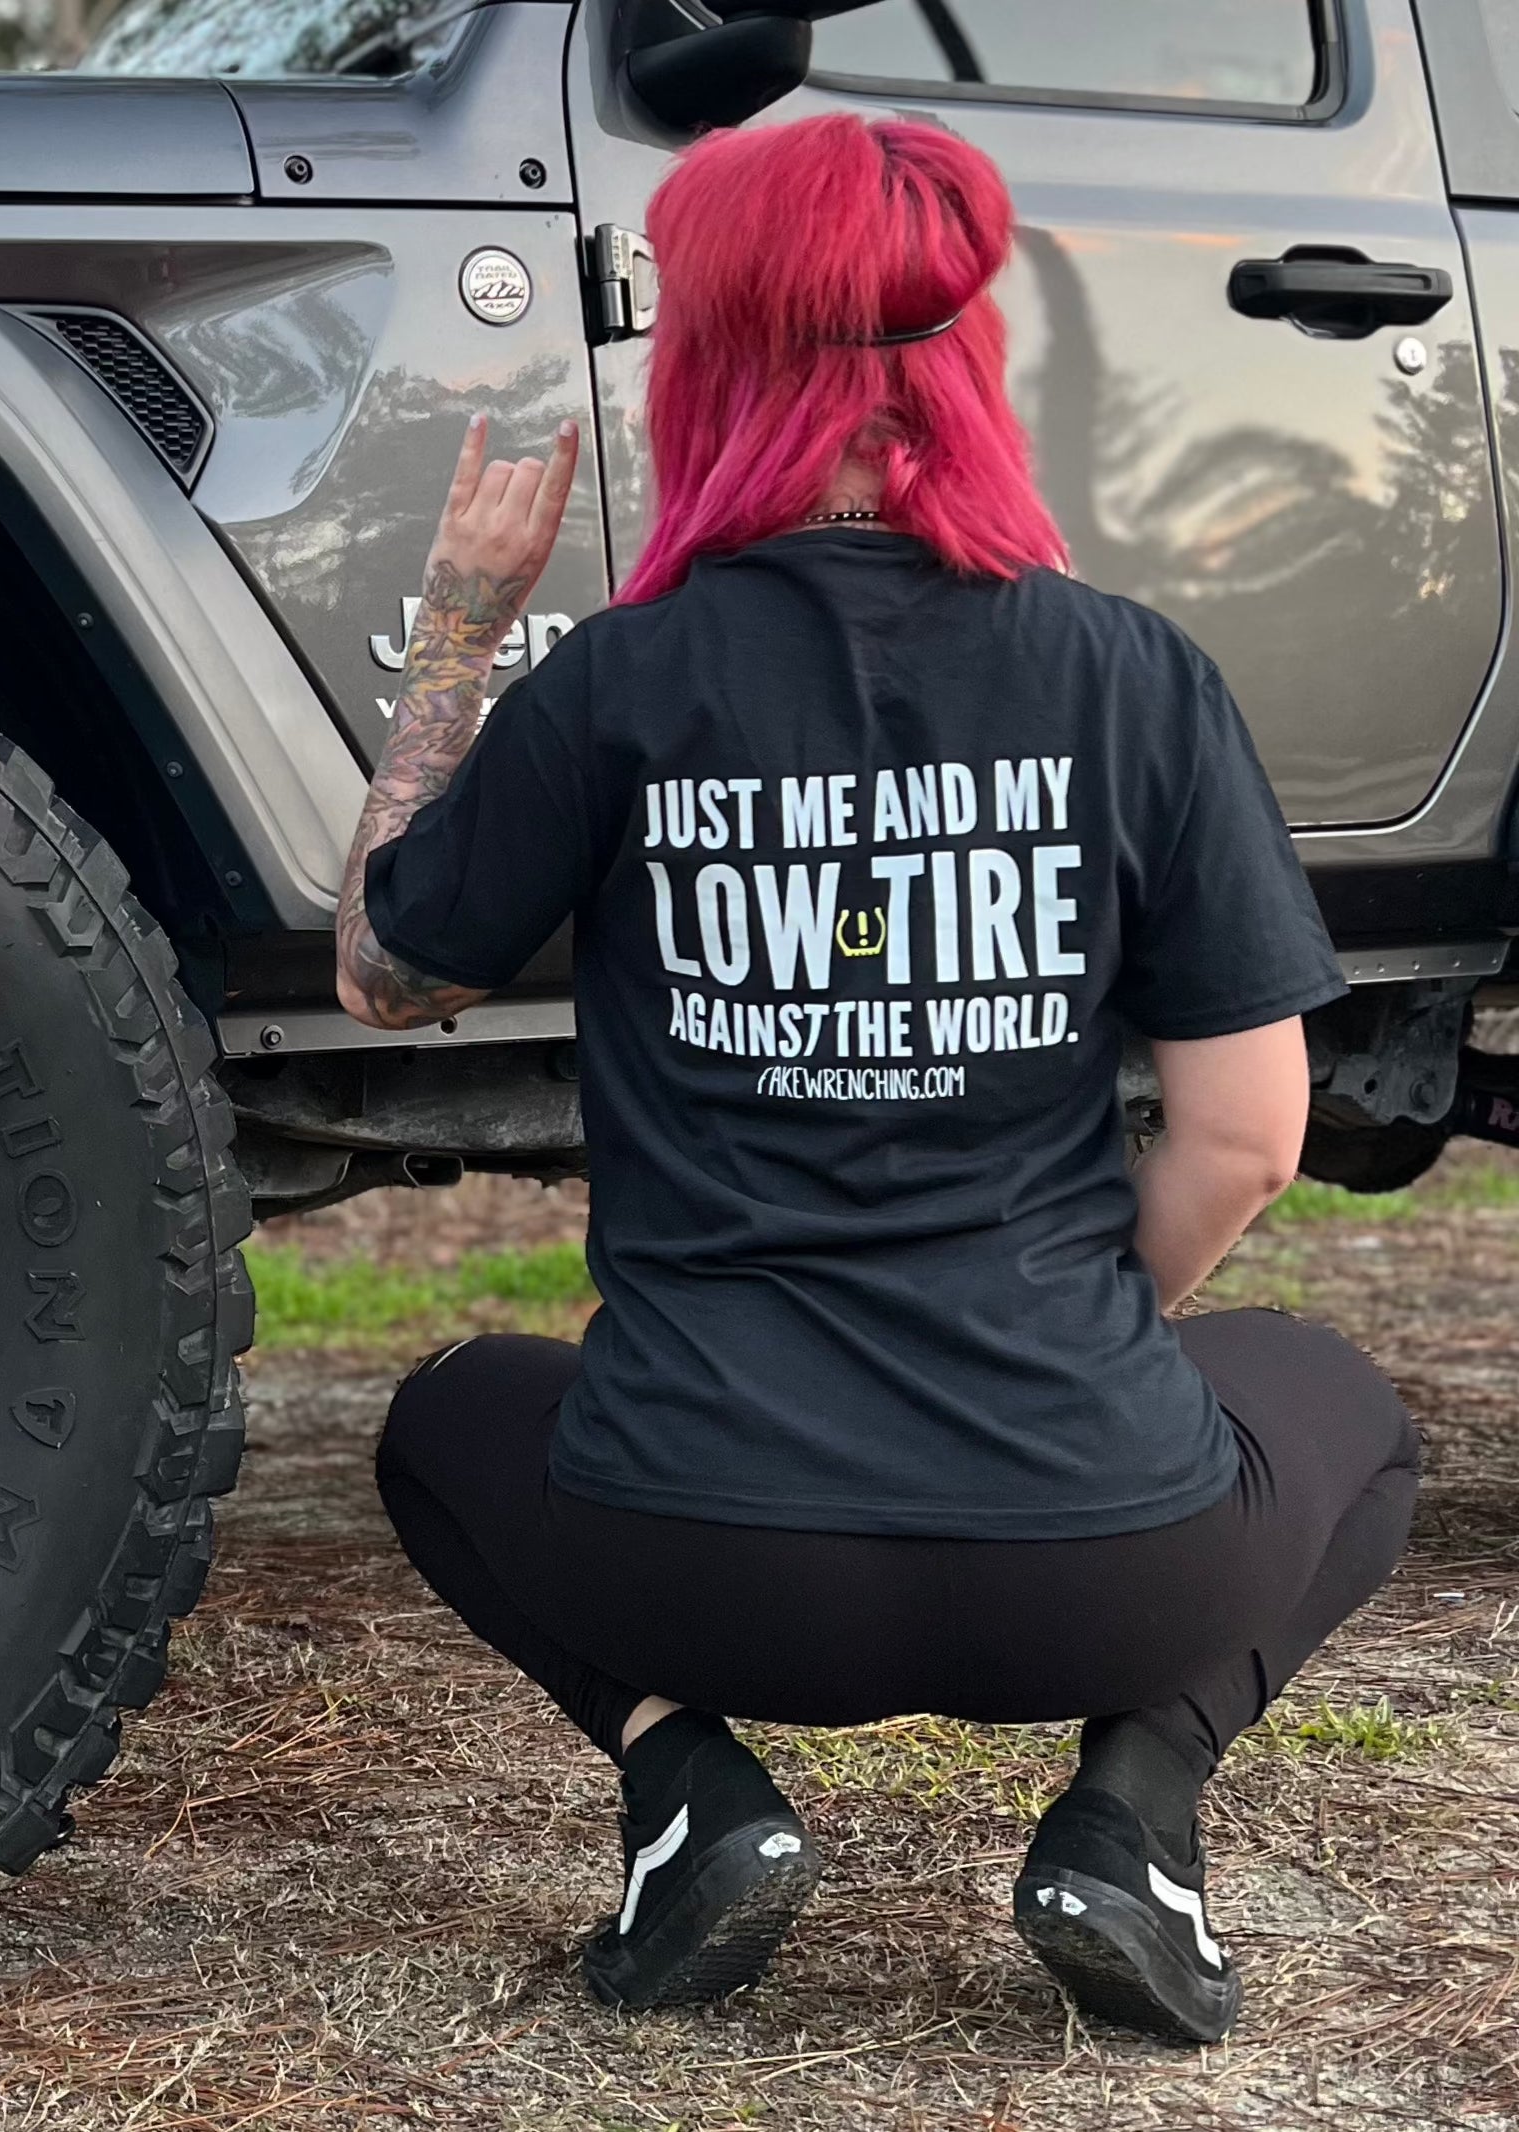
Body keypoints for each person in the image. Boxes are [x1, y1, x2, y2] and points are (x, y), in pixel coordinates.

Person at [335, 112, 1418, 2044]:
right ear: (964, 358)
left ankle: (692, 1798)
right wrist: (1076, 1342)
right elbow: (1253, 1137)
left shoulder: (621, 685)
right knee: (1349, 1411)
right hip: (1102, 1569)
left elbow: (382, 969)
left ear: (718, 369)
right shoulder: (1131, 676)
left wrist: (461, 625)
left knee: (444, 1421)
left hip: (705, 1565)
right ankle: (1133, 1818)